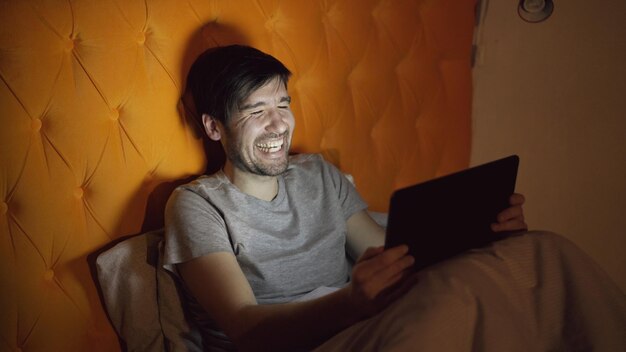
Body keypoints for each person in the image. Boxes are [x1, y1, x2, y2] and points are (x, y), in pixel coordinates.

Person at [163, 45, 527, 351]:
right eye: (257, 111)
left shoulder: (318, 174)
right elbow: (244, 326)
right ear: (214, 126)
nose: (279, 125)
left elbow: (398, 255)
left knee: (534, 255)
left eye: (283, 105)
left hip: (361, 330)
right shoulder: (197, 205)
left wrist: (486, 231)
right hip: (306, 343)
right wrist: (350, 303)